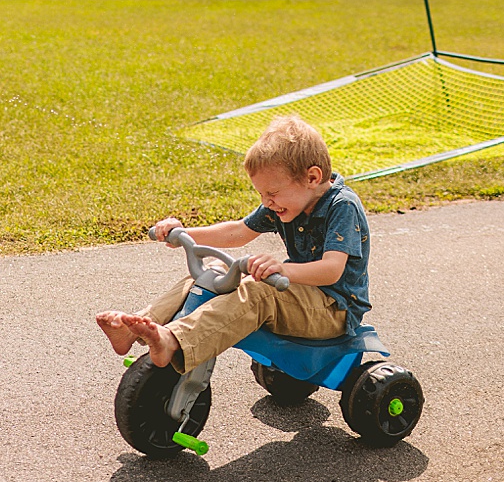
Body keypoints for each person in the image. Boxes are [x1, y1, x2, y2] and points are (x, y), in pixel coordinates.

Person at [97, 115, 369, 373]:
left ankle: (174, 340)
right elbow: (238, 232)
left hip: (334, 310)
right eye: (261, 194)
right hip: (299, 295)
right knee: (215, 270)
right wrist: (184, 234)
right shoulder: (287, 203)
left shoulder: (341, 206)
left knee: (258, 290)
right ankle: (137, 326)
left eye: (272, 193)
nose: (266, 203)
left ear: (312, 178)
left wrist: (283, 270)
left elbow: (332, 269)